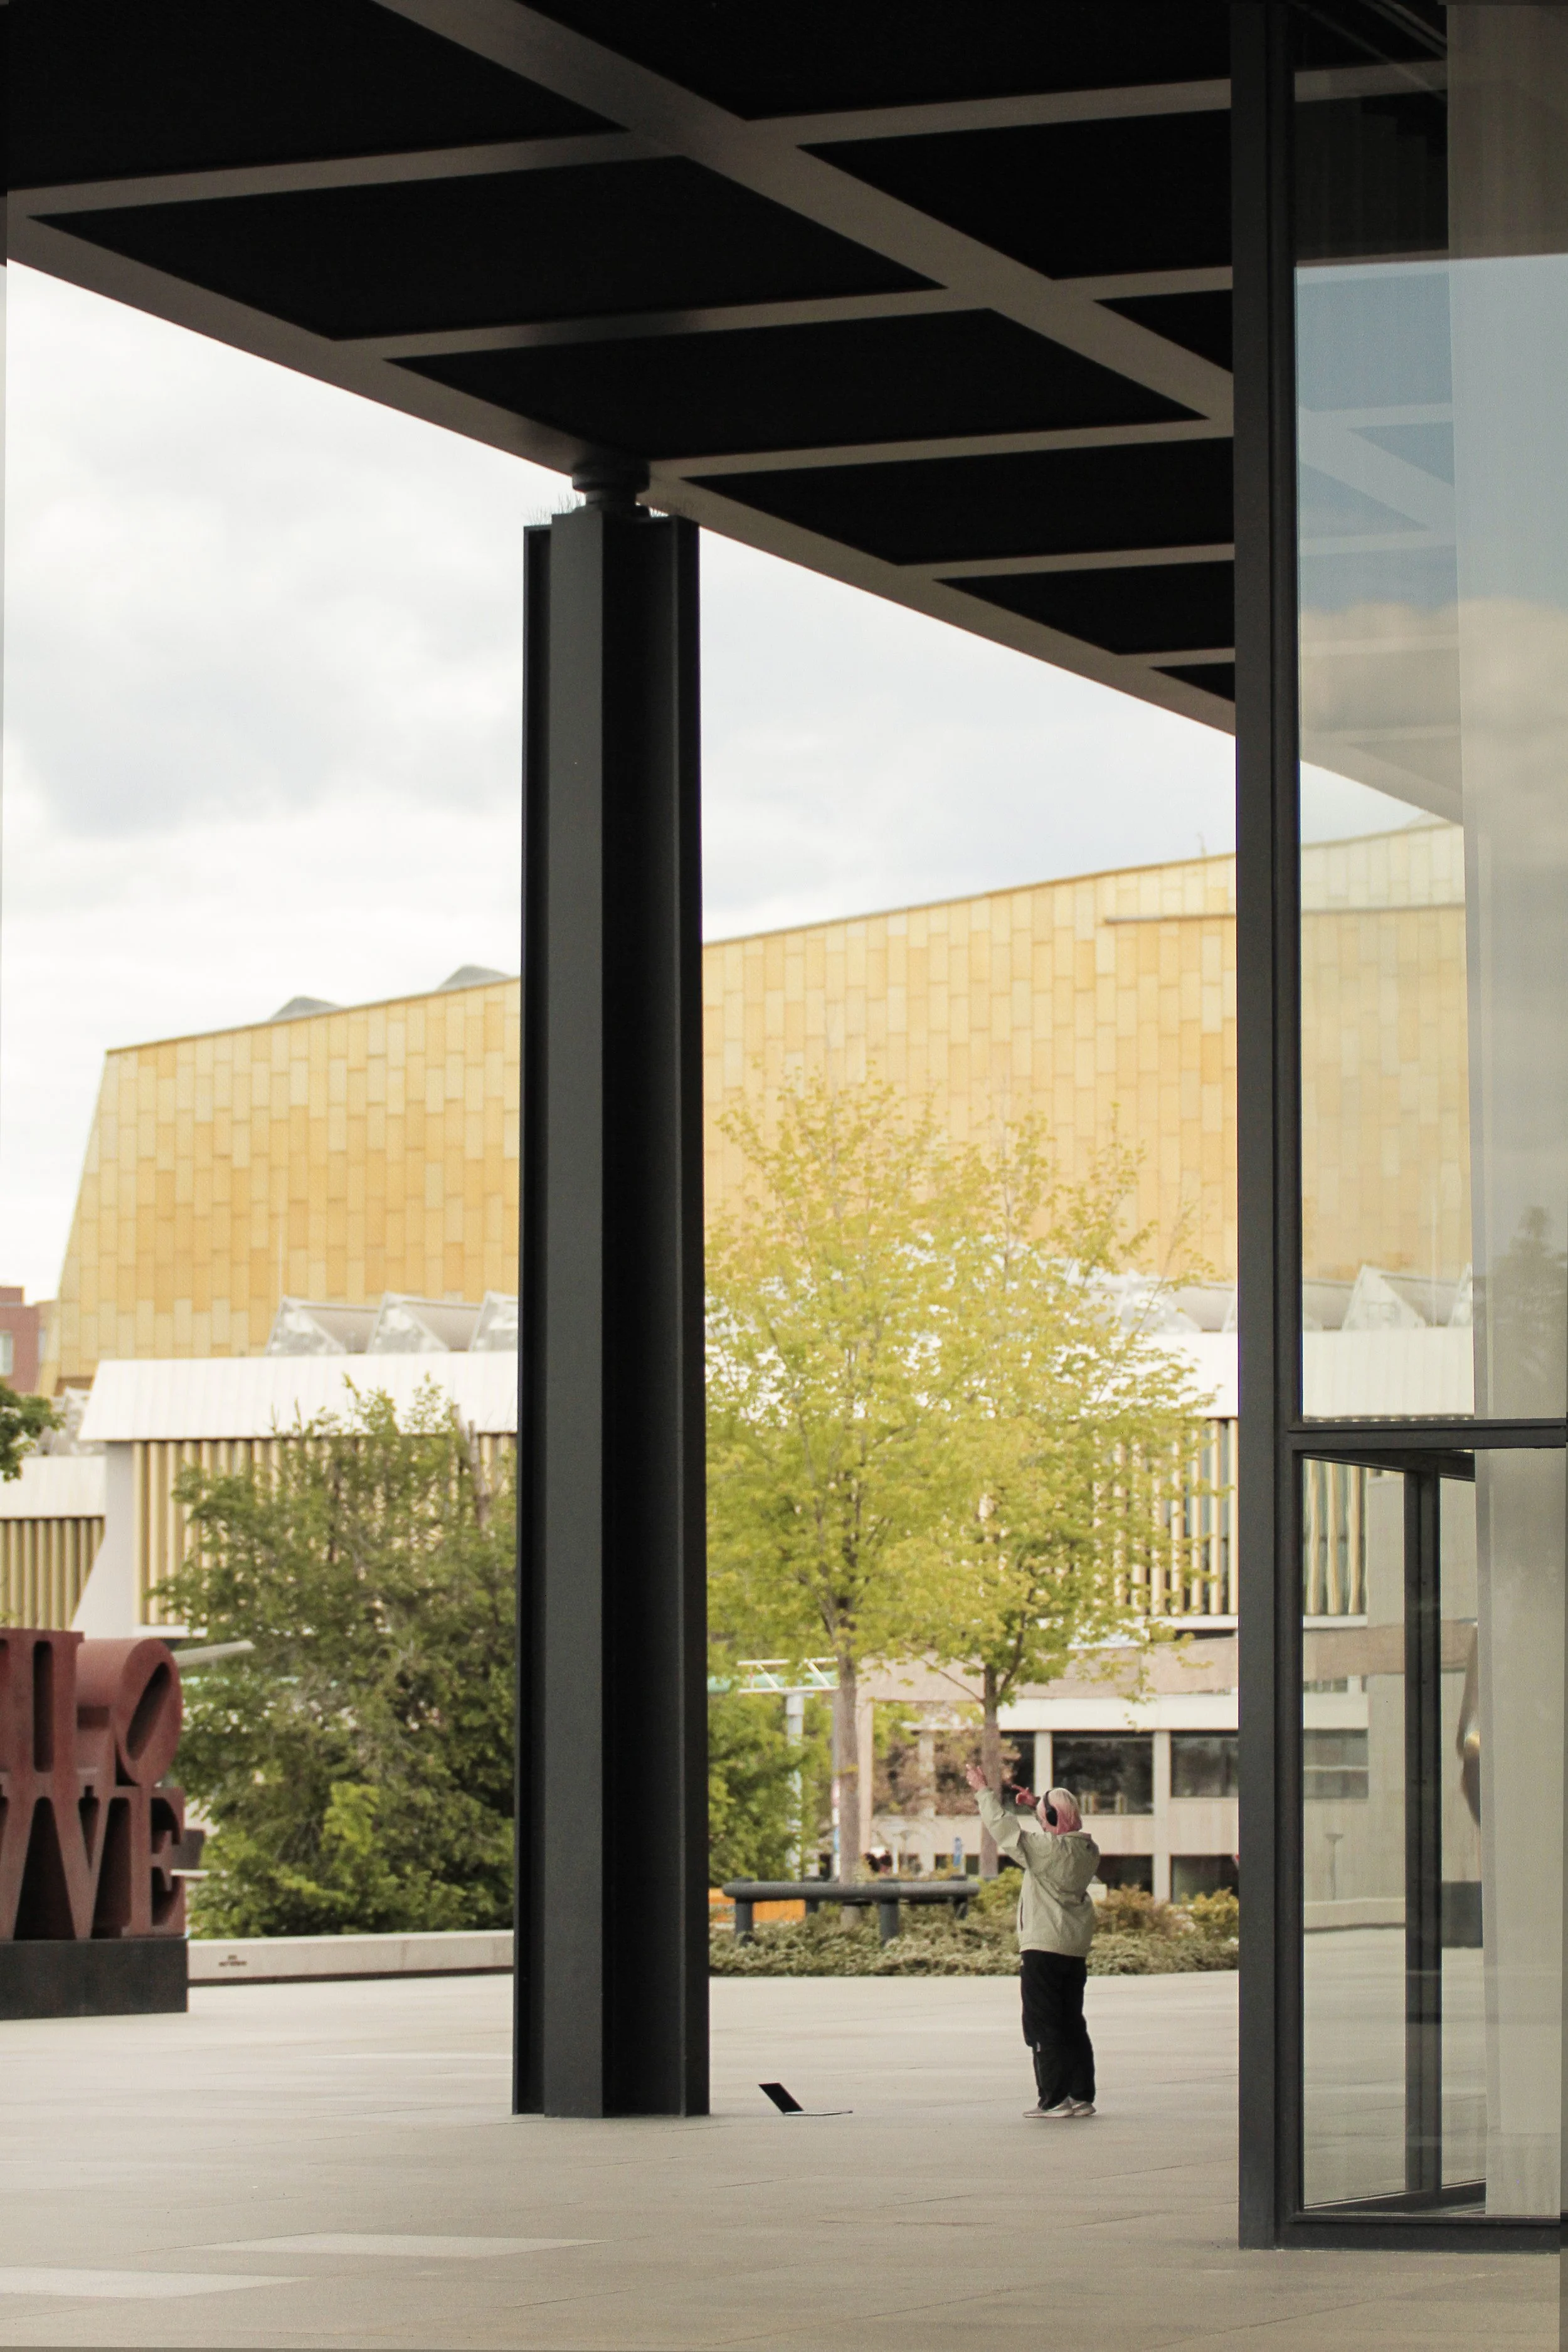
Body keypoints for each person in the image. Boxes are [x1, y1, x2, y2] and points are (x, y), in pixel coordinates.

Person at [965, 1761, 1100, 2119]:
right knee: (1072, 2022)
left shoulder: (1046, 1852)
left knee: (1043, 2024)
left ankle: (1053, 2099)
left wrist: (982, 1789)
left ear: (1052, 1822)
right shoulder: (1088, 1852)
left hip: (1043, 1946)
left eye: (1043, 1817)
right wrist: (1036, 1804)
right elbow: (1062, 1824)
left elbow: (1003, 1829)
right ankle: (1081, 2094)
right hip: (1073, 1949)